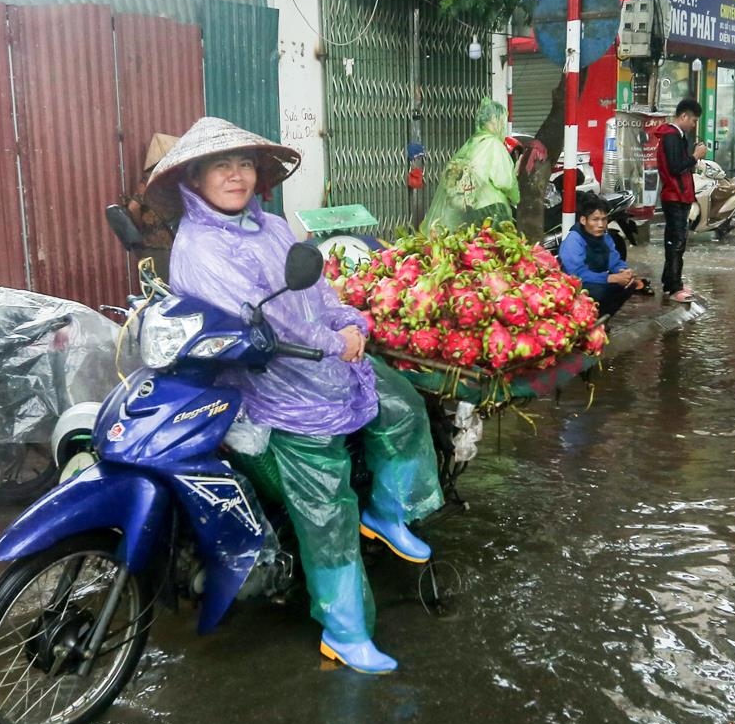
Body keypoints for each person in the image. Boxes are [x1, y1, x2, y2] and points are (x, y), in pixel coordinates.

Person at [149, 118, 444, 675]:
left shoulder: (273, 226)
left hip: (329, 363)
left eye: (244, 165)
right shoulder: (200, 247)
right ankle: (346, 629)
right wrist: (336, 340)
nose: (236, 176)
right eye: (221, 165)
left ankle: (388, 510)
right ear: (195, 176)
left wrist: (347, 319)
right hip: (272, 386)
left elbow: (317, 289)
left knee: (402, 404)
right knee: (326, 507)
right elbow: (273, 324)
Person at [425, 97, 521, 229]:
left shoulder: (472, 144)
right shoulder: (493, 144)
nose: (503, 126)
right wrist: (517, 195)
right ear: (494, 119)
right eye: (501, 120)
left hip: (470, 211)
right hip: (493, 210)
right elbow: (504, 181)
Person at [560, 191, 649, 318]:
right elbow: (576, 274)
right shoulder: (574, 240)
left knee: (630, 284)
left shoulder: (605, 237)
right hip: (574, 286)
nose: (601, 225)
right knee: (600, 290)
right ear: (583, 220)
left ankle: (601, 318)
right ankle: (584, 319)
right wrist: (609, 278)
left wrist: (625, 271)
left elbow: (615, 262)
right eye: (595, 220)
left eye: (604, 219)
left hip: (596, 280)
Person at [653, 97, 705, 303]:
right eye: (693, 120)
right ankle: (674, 287)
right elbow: (676, 166)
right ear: (683, 116)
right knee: (676, 242)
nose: (693, 125)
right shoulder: (672, 137)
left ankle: (670, 282)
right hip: (674, 195)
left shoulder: (675, 136)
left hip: (678, 195)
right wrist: (695, 156)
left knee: (675, 241)